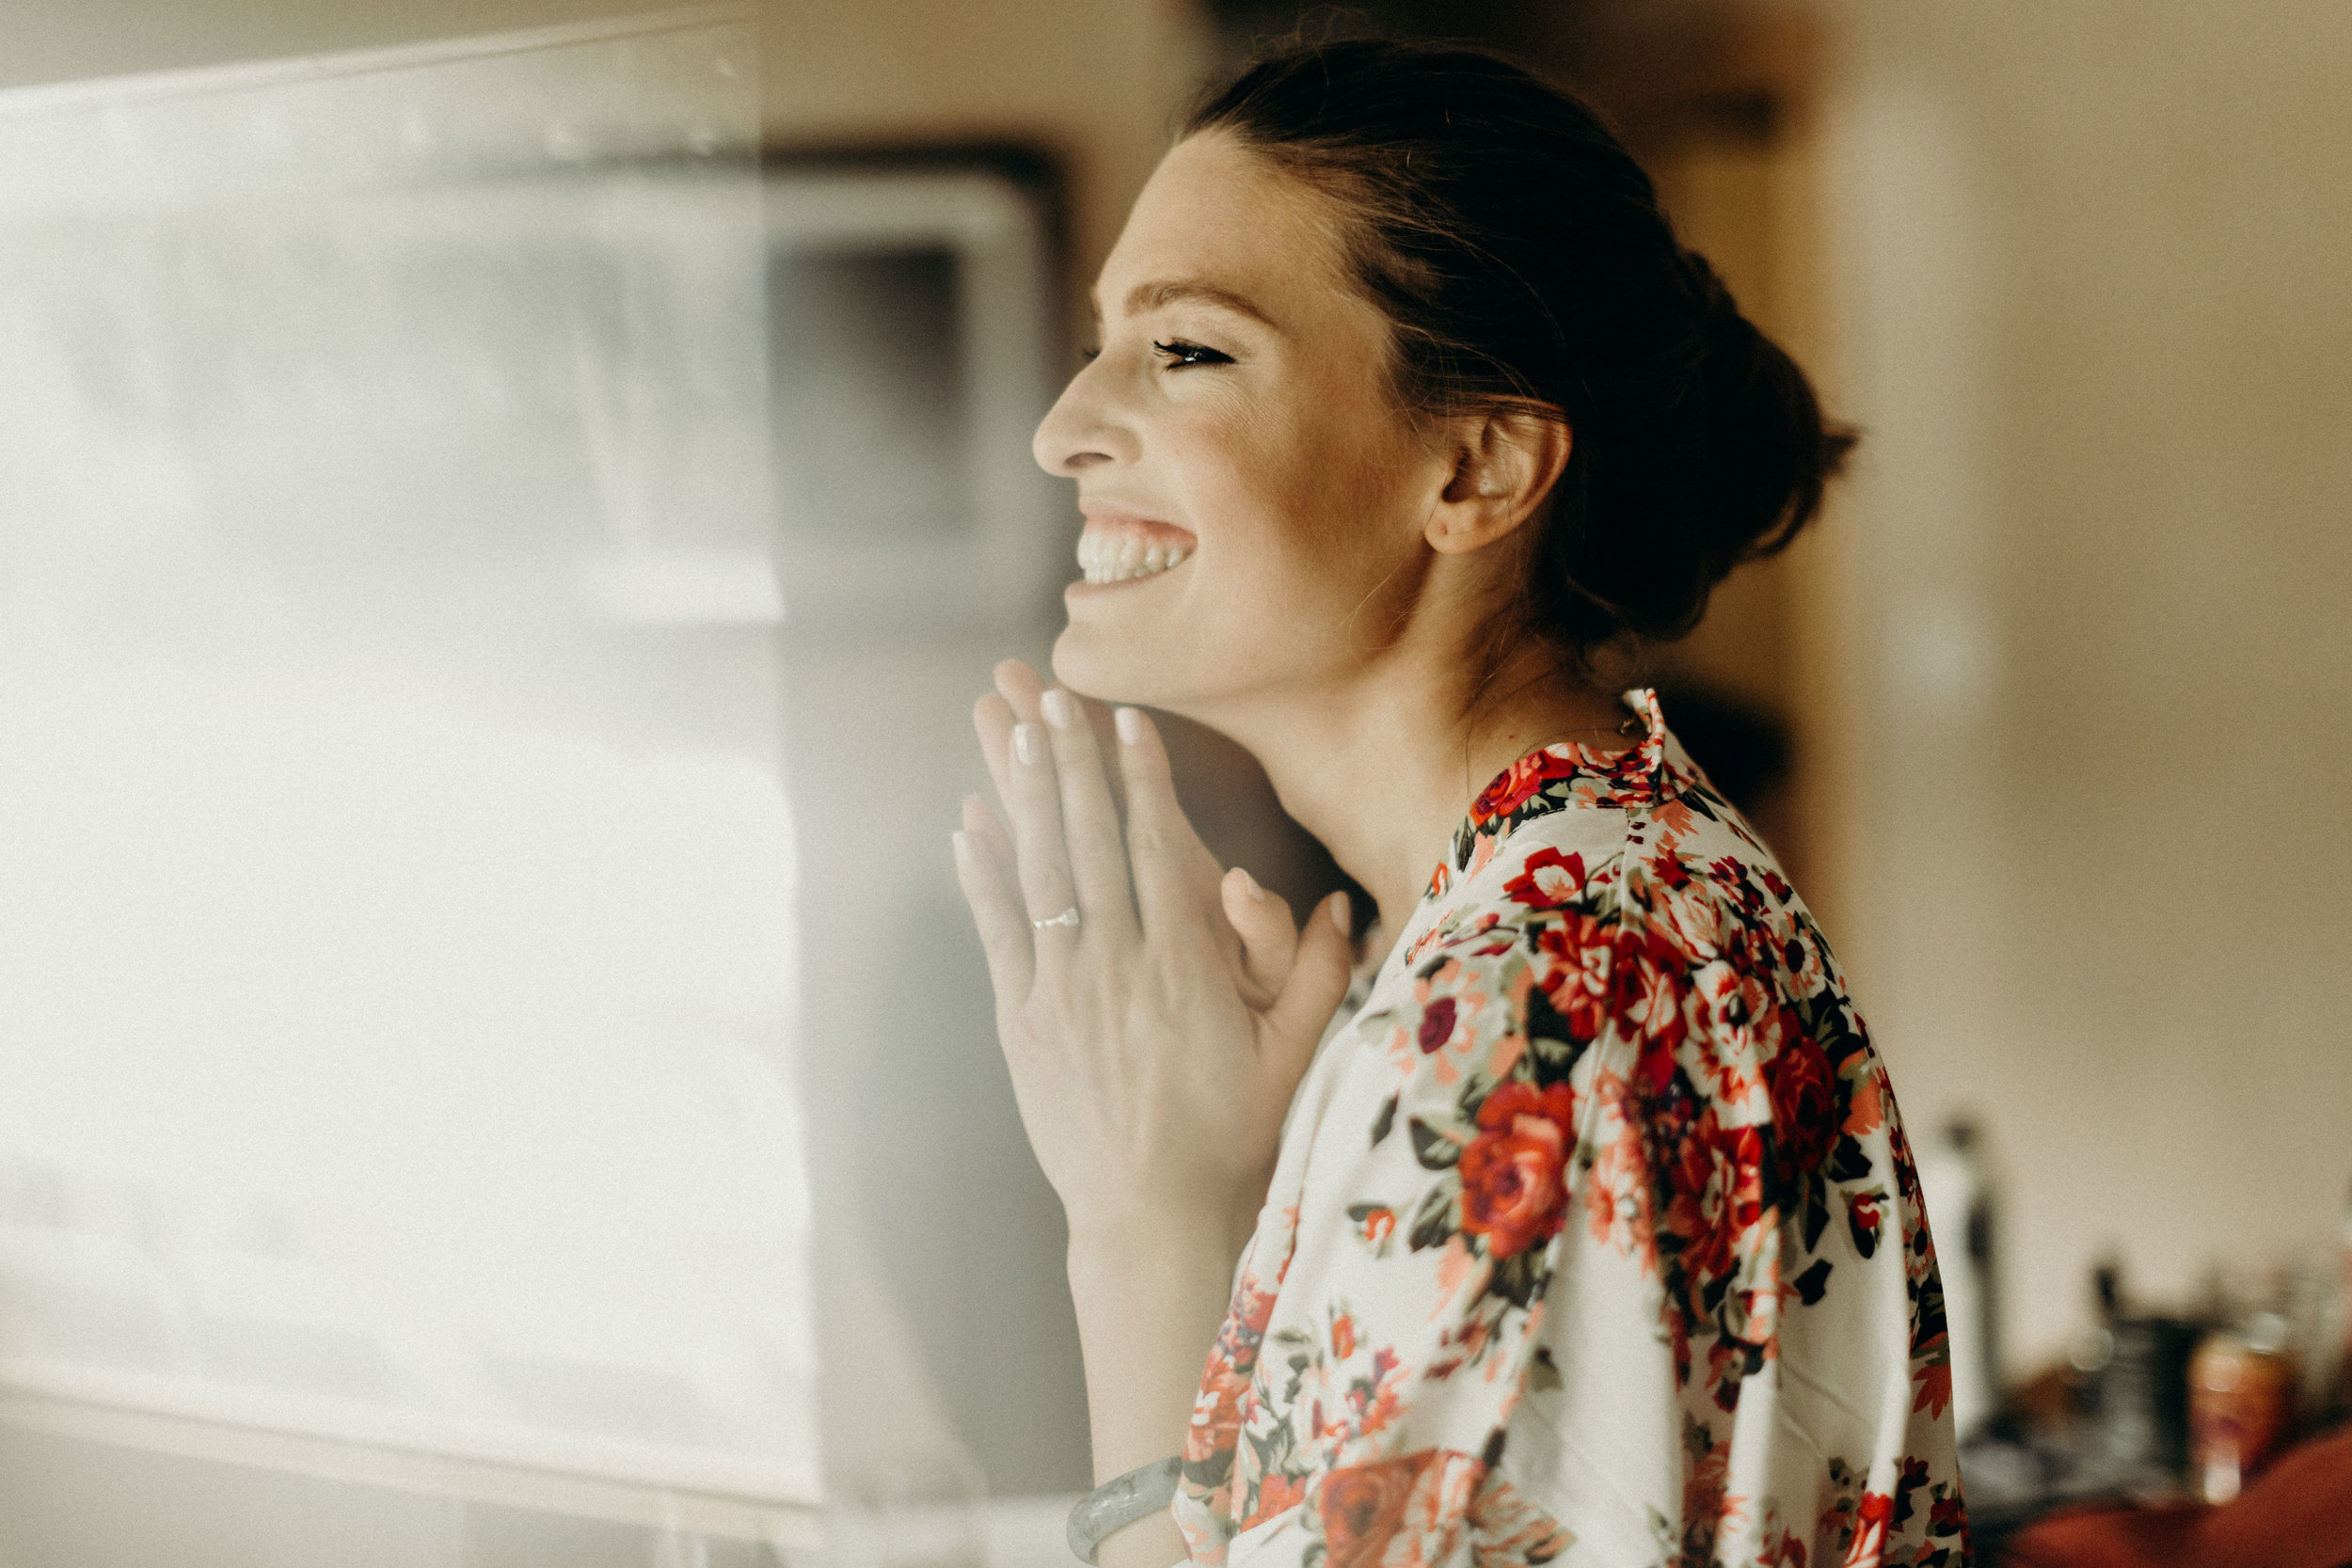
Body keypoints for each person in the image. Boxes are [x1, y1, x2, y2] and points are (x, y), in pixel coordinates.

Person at [949, 38, 1965, 1568]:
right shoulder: (1581, 916)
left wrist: (1143, 1233)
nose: (1064, 426)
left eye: (1189, 351)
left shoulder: (1535, 1013)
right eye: (1107, 341)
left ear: (1480, 466)